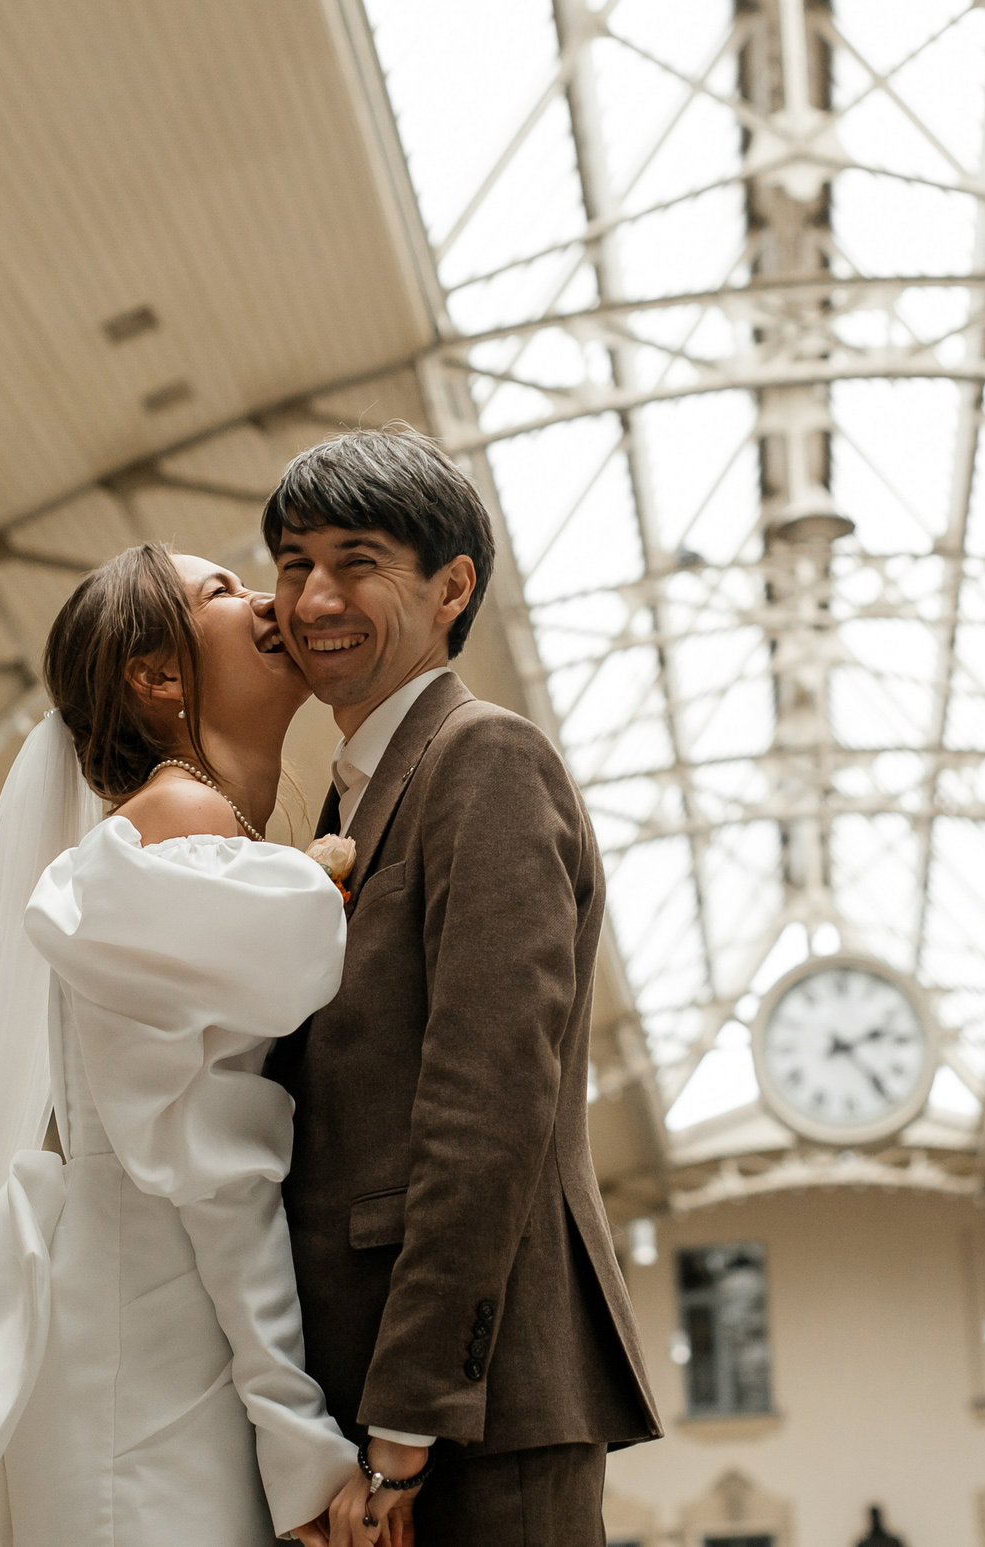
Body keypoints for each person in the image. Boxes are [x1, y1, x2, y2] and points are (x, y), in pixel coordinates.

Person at [0, 544, 362, 1546]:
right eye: (222, 590)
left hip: (146, 1345)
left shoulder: (200, 836)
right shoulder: (174, 825)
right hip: (149, 1373)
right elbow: (220, 1182)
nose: (274, 600)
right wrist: (296, 1432)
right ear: (158, 675)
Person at [259, 428, 661, 1547]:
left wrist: (403, 1428)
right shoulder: (346, 804)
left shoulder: (483, 759)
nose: (313, 595)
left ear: (450, 587)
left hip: (469, 1414)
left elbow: (486, 1102)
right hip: (370, 1389)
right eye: (292, 564)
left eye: (355, 560)